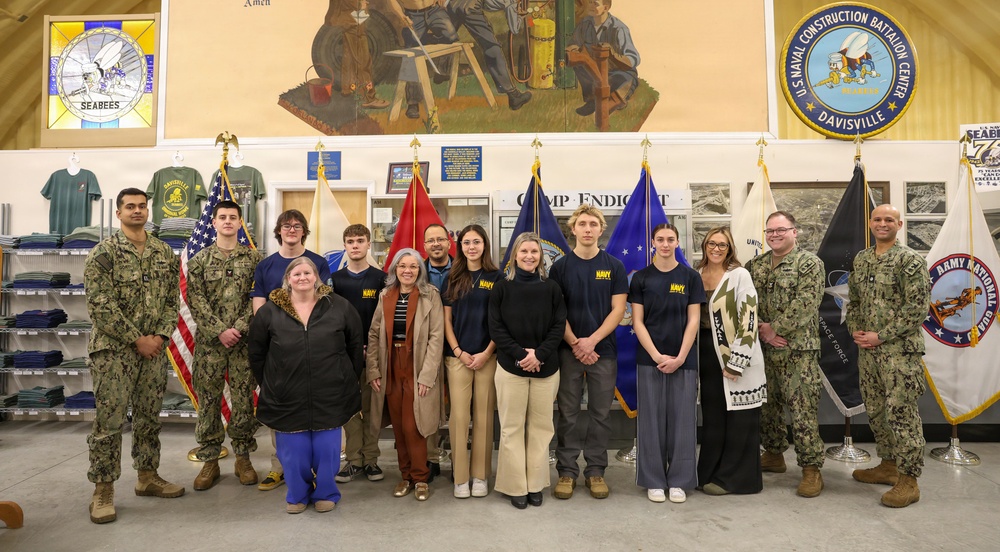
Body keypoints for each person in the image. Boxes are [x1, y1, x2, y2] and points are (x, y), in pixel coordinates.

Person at [84, 188, 184, 524]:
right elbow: (101, 307)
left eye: (142, 206)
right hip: (113, 352)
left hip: (153, 350)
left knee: (148, 416)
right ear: (118, 213)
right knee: (109, 423)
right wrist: (136, 339)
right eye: (130, 207)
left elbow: (173, 301)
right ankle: (103, 489)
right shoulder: (103, 253)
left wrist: (160, 337)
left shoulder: (162, 251)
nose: (137, 211)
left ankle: (147, 476)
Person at [249, 257, 364, 514]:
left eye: (308, 273)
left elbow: (355, 347)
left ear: (317, 277)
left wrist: (345, 377)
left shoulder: (339, 307)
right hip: (286, 394)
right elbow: (257, 353)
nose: (303, 277)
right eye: (297, 273)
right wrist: (271, 382)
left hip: (330, 392)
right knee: (293, 452)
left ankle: (326, 492)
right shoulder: (269, 311)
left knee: (327, 450)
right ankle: (298, 494)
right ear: (288, 279)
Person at [847, 204, 930, 508]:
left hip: (898, 353)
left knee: (902, 413)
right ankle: (889, 465)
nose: (883, 224)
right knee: (877, 410)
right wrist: (857, 331)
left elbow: (917, 309)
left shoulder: (909, 260)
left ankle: (909, 480)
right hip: (868, 352)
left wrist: (880, 336)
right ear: (870, 223)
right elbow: (853, 301)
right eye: (878, 219)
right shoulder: (863, 258)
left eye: (889, 220)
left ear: (899, 224)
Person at [250, 209, 333, 492]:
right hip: (279, 348)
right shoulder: (266, 266)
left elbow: (325, 304)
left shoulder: (319, 263)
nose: (292, 230)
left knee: (313, 407)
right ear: (279, 230)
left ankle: (312, 470)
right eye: (286, 226)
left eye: (297, 226)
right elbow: (259, 308)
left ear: (304, 231)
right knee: (281, 407)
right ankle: (280, 467)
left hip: (312, 349)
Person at [549, 205, 627, 500]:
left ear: (601, 229)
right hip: (568, 351)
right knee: (567, 413)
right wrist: (576, 344)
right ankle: (567, 472)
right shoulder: (560, 267)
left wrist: (591, 342)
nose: (587, 229)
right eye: (582, 223)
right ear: (573, 229)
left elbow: (618, 310)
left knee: (600, 414)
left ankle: (595, 470)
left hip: (602, 351)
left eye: (593, 224)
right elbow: (556, 311)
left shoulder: (614, 266)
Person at [746, 211, 826, 498]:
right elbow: (746, 302)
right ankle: (774, 454)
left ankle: (811, 469)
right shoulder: (754, 265)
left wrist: (774, 329)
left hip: (798, 350)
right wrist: (760, 331)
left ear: (795, 232)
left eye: (781, 230)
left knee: (802, 410)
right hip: (763, 350)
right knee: (768, 406)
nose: (775, 235)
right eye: (770, 231)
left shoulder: (809, 263)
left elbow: (808, 302)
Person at [187, 200, 263, 491]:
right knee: (208, 402)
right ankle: (210, 460)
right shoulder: (200, 261)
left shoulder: (254, 260)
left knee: (244, 400)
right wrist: (220, 330)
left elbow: (255, 299)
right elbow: (196, 300)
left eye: (233, 217)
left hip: (243, 342)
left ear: (240, 222)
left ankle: (243, 457)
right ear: (214, 223)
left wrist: (239, 328)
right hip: (210, 344)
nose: (228, 221)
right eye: (223, 217)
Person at [488, 232, 566, 510]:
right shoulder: (501, 287)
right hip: (511, 367)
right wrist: (522, 355)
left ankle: (534, 484)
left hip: (546, 369)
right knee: (511, 428)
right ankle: (515, 486)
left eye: (534, 251)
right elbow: (496, 327)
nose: (529, 256)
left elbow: (559, 326)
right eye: (524, 252)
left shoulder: (552, 288)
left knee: (541, 428)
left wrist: (540, 354)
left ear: (541, 256)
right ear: (515, 255)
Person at [629, 223, 704, 504]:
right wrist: (657, 356)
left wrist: (681, 356)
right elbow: (637, 321)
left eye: (670, 239)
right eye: (659, 239)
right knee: (650, 420)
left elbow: (694, 320)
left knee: (683, 420)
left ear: (677, 242)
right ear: (652, 242)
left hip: (684, 359)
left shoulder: (689, 277)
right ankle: (653, 480)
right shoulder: (641, 278)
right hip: (650, 360)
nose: (664, 244)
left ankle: (680, 480)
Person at [367, 248, 444, 501]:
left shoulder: (430, 295)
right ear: (395, 270)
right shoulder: (385, 296)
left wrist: (427, 375)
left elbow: (436, 337)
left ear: (420, 270)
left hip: (417, 364)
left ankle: (421, 477)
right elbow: (375, 334)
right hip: (391, 364)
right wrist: (374, 370)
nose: (407, 270)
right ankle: (405, 476)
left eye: (413, 266)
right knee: (399, 425)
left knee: (415, 425)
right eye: (402, 266)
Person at [695, 227, 767, 496]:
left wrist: (737, 361)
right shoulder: (696, 275)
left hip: (736, 356)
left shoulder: (739, 275)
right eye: (711, 243)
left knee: (739, 418)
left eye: (722, 245)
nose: (716, 249)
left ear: (730, 248)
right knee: (714, 418)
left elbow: (749, 319)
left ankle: (735, 479)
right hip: (705, 355)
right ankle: (709, 472)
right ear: (704, 245)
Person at [443, 225, 501, 498]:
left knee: (484, 417)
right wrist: (457, 350)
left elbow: (500, 321)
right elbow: (446, 319)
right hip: (458, 358)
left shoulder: (496, 277)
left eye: (476, 242)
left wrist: (487, 352)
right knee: (459, 417)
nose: (471, 247)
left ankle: (480, 476)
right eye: (466, 242)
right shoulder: (452, 277)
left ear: (484, 245)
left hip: (487, 357)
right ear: (460, 246)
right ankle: (460, 477)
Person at [332, 224, 387, 484]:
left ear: (368, 245)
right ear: (344, 245)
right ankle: (353, 460)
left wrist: (372, 348)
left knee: (373, 409)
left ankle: (371, 459)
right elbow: (331, 320)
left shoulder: (381, 279)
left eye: (360, 241)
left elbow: (385, 321)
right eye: (350, 241)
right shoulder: (335, 281)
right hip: (343, 357)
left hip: (375, 356)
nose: (355, 245)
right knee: (351, 409)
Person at [446, 0, 532, 110]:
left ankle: (441, 69)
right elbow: (514, 29)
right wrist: (520, 17)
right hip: (469, 7)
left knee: (444, 39)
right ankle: (513, 95)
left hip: (453, 5)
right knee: (492, 47)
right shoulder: (511, 2)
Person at [566, 0, 640, 116]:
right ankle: (592, 100)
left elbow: (633, 59)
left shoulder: (619, 28)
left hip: (615, 71)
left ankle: (613, 101)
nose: (590, 6)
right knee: (579, 64)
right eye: (589, 2)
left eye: (595, 3)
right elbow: (574, 43)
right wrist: (573, 50)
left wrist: (613, 55)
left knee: (627, 77)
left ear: (606, 8)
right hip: (595, 70)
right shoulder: (585, 23)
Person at [391, 0, 460, 119]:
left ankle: (442, 71)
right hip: (413, 15)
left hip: (434, 11)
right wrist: (401, 16)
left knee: (451, 36)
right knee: (412, 52)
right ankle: (413, 103)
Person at [423, 223, 452, 480]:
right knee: (428, 406)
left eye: (440, 239)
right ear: (424, 246)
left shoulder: (466, 269)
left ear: (449, 242)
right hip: (425, 353)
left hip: (458, 350)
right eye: (431, 240)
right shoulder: (415, 272)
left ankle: (458, 457)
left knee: (460, 407)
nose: (436, 244)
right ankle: (430, 458)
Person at [327, 0, 391, 108]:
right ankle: (369, 98)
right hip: (352, 19)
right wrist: (361, 5)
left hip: (348, 19)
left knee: (349, 57)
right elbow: (356, 6)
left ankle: (346, 89)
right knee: (364, 62)